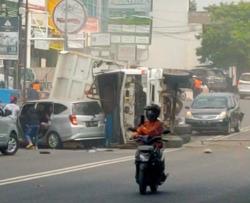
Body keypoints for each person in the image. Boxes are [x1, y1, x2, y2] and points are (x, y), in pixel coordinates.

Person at [131, 104, 168, 182]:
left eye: (152, 112)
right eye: (149, 112)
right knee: (137, 157)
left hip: (155, 144)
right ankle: (138, 173)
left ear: (156, 113)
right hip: (145, 144)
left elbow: (150, 131)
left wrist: (141, 130)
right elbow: (139, 131)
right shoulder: (145, 123)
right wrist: (135, 135)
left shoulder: (159, 124)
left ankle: (161, 174)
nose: (150, 114)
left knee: (158, 159)